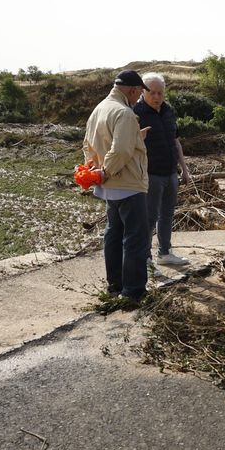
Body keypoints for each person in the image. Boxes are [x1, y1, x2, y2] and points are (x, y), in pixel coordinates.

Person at [83, 70, 151, 302]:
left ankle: (115, 286)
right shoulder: (124, 113)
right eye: (140, 93)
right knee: (135, 238)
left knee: (114, 234)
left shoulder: (99, 109)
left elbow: (88, 145)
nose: (139, 98)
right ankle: (133, 292)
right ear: (132, 90)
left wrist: (93, 170)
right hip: (128, 183)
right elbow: (121, 150)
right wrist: (105, 171)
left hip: (109, 186)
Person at [133, 72, 191, 267]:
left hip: (171, 172)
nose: (157, 97)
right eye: (153, 93)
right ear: (143, 91)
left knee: (167, 214)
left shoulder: (168, 111)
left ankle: (165, 253)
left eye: (160, 93)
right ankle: (145, 258)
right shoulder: (135, 112)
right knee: (149, 218)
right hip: (150, 175)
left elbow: (176, 141)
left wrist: (184, 169)